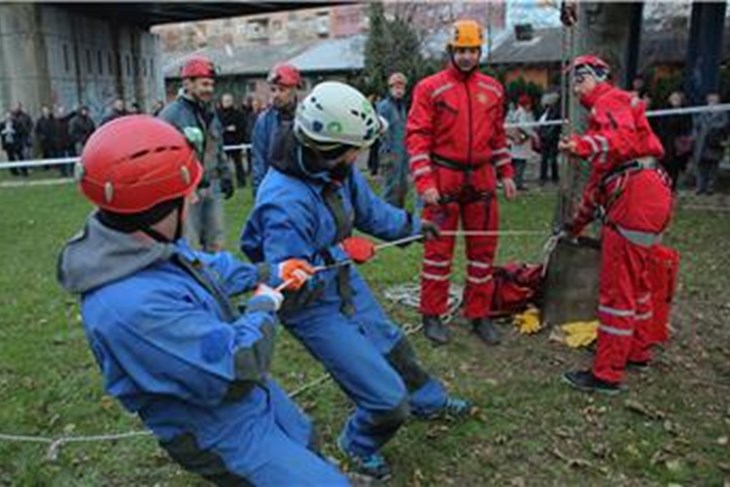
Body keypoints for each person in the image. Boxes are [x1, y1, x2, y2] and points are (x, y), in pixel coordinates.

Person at [57, 115, 347, 486]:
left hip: (248, 400)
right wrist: (263, 304)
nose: (193, 197)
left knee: (304, 439)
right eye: (185, 193)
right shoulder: (131, 308)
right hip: (217, 427)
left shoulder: (143, 244)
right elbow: (239, 363)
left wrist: (269, 272)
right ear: (154, 207)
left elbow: (207, 267)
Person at [241, 81, 472, 481]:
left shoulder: (337, 169)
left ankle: (427, 400)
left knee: (395, 347)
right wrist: (340, 252)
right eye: (357, 147)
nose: (362, 154)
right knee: (386, 402)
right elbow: (290, 280)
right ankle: (358, 442)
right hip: (312, 308)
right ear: (330, 147)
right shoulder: (284, 201)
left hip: (342, 280)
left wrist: (412, 227)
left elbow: (367, 211)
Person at [558, 55, 673, 394]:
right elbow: (596, 187)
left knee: (616, 291)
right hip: (650, 193)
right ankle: (635, 351)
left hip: (635, 198)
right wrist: (573, 227)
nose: (576, 87)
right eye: (573, 80)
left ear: (599, 77)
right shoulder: (604, 119)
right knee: (636, 283)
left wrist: (579, 145)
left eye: (581, 78)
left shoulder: (611, 101)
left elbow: (619, 140)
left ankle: (606, 373)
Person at [406, 19, 517, 346]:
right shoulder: (429, 88)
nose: (466, 56)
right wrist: (425, 182)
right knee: (437, 253)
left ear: (479, 51)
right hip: (442, 178)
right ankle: (431, 313)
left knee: (483, 253)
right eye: (461, 50)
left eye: (472, 50)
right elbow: (416, 137)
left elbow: (497, 136)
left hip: (481, 179)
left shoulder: (493, 89)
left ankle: (478, 314)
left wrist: (507, 173)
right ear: (451, 50)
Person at [160, 55, 235, 252]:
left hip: (212, 186)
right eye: (204, 84)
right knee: (190, 245)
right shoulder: (171, 115)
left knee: (216, 242)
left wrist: (226, 175)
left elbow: (217, 147)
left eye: (211, 84)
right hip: (186, 192)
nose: (209, 89)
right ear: (188, 83)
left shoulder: (210, 113)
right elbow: (162, 155)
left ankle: (214, 281)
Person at [251, 63, 301, 197]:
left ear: (295, 89)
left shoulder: (306, 117)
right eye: (273, 90)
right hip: (274, 189)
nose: (276, 95)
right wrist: (259, 192)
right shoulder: (264, 121)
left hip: (302, 187)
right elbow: (258, 159)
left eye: (282, 90)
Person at [377, 72, 412, 208]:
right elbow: (381, 132)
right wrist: (388, 152)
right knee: (390, 187)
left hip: (403, 153)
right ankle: (385, 216)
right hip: (389, 153)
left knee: (402, 187)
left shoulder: (402, 106)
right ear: (390, 87)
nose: (399, 89)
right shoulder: (384, 106)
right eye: (395, 86)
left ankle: (398, 216)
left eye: (401, 86)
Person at [653, 91, 693, 191]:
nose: (675, 100)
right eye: (673, 98)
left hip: (677, 147)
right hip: (665, 144)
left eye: (677, 98)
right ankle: (662, 187)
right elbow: (660, 127)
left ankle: (672, 188)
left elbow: (686, 128)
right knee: (663, 168)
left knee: (674, 169)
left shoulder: (684, 112)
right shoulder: (663, 111)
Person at [691, 92, 728, 196]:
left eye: (715, 99)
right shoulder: (702, 111)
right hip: (701, 144)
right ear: (707, 100)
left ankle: (710, 189)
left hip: (714, 144)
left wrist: (708, 128)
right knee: (701, 168)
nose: (713, 101)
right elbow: (696, 124)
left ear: (718, 100)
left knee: (713, 169)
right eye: (711, 99)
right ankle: (699, 188)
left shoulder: (723, 112)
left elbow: (724, 124)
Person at [506, 94, 537, 190]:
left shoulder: (516, 112)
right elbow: (524, 126)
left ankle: (516, 181)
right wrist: (533, 134)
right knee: (520, 163)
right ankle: (518, 183)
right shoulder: (522, 113)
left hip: (516, 142)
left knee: (516, 162)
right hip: (521, 142)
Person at [217, 93, 247, 188]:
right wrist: (225, 129)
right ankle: (223, 183)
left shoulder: (237, 113)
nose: (226, 103)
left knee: (238, 164)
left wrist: (236, 129)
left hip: (235, 142)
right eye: (225, 101)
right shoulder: (218, 114)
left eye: (228, 101)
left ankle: (241, 182)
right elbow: (216, 128)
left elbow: (242, 126)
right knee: (222, 165)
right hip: (223, 142)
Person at [537, 92, 561, 185]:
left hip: (552, 138)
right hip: (544, 138)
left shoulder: (555, 112)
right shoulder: (543, 111)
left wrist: (547, 135)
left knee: (553, 159)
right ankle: (543, 177)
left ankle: (555, 178)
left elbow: (554, 126)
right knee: (544, 159)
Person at [53, 106, 76, 177]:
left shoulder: (67, 120)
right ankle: (63, 173)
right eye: (60, 112)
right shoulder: (55, 122)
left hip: (68, 142)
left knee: (72, 157)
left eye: (62, 112)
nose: (61, 114)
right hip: (60, 143)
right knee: (61, 159)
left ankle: (72, 172)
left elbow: (72, 114)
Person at [11, 102, 33, 174]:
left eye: (17, 106)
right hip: (17, 139)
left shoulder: (25, 116)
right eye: (15, 106)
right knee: (19, 154)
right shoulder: (12, 117)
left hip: (25, 137)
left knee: (26, 153)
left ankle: (28, 167)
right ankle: (21, 168)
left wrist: (27, 131)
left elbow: (30, 124)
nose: (16, 108)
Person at [1, 111, 25, 176]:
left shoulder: (16, 123)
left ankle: (24, 170)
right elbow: (1, 132)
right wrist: (4, 132)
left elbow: (20, 131)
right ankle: (14, 172)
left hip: (16, 143)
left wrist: (13, 131)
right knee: (11, 158)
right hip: (8, 143)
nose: (8, 118)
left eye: (9, 116)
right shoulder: (3, 124)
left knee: (20, 156)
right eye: (6, 117)